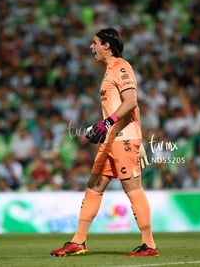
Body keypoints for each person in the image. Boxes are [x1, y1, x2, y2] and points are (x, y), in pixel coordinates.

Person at [50, 28, 158, 257]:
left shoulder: (121, 66)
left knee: (133, 189)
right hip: (111, 140)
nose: (91, 47)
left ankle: (149, 245)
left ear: (107, 45)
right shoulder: (109, 71)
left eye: (95, 43)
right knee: (94, 187)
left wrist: (109, 125)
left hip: (123, 139)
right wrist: (100, 127)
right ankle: (78, 241)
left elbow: (131, 102)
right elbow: (119, 107)